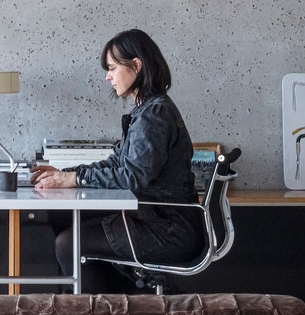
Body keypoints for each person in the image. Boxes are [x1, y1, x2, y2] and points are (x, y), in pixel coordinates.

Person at [30, 29, 202, 293]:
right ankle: (102, 304)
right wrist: (65, 174)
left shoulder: (154, 114)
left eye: (112, 68)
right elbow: (116, 164)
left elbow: (132, 177)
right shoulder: (147, 109)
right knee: (62, 214)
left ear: (136, 65)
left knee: (67, 243)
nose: (107, 76)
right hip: (155, 217)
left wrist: (74, 179)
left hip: (167, 228)